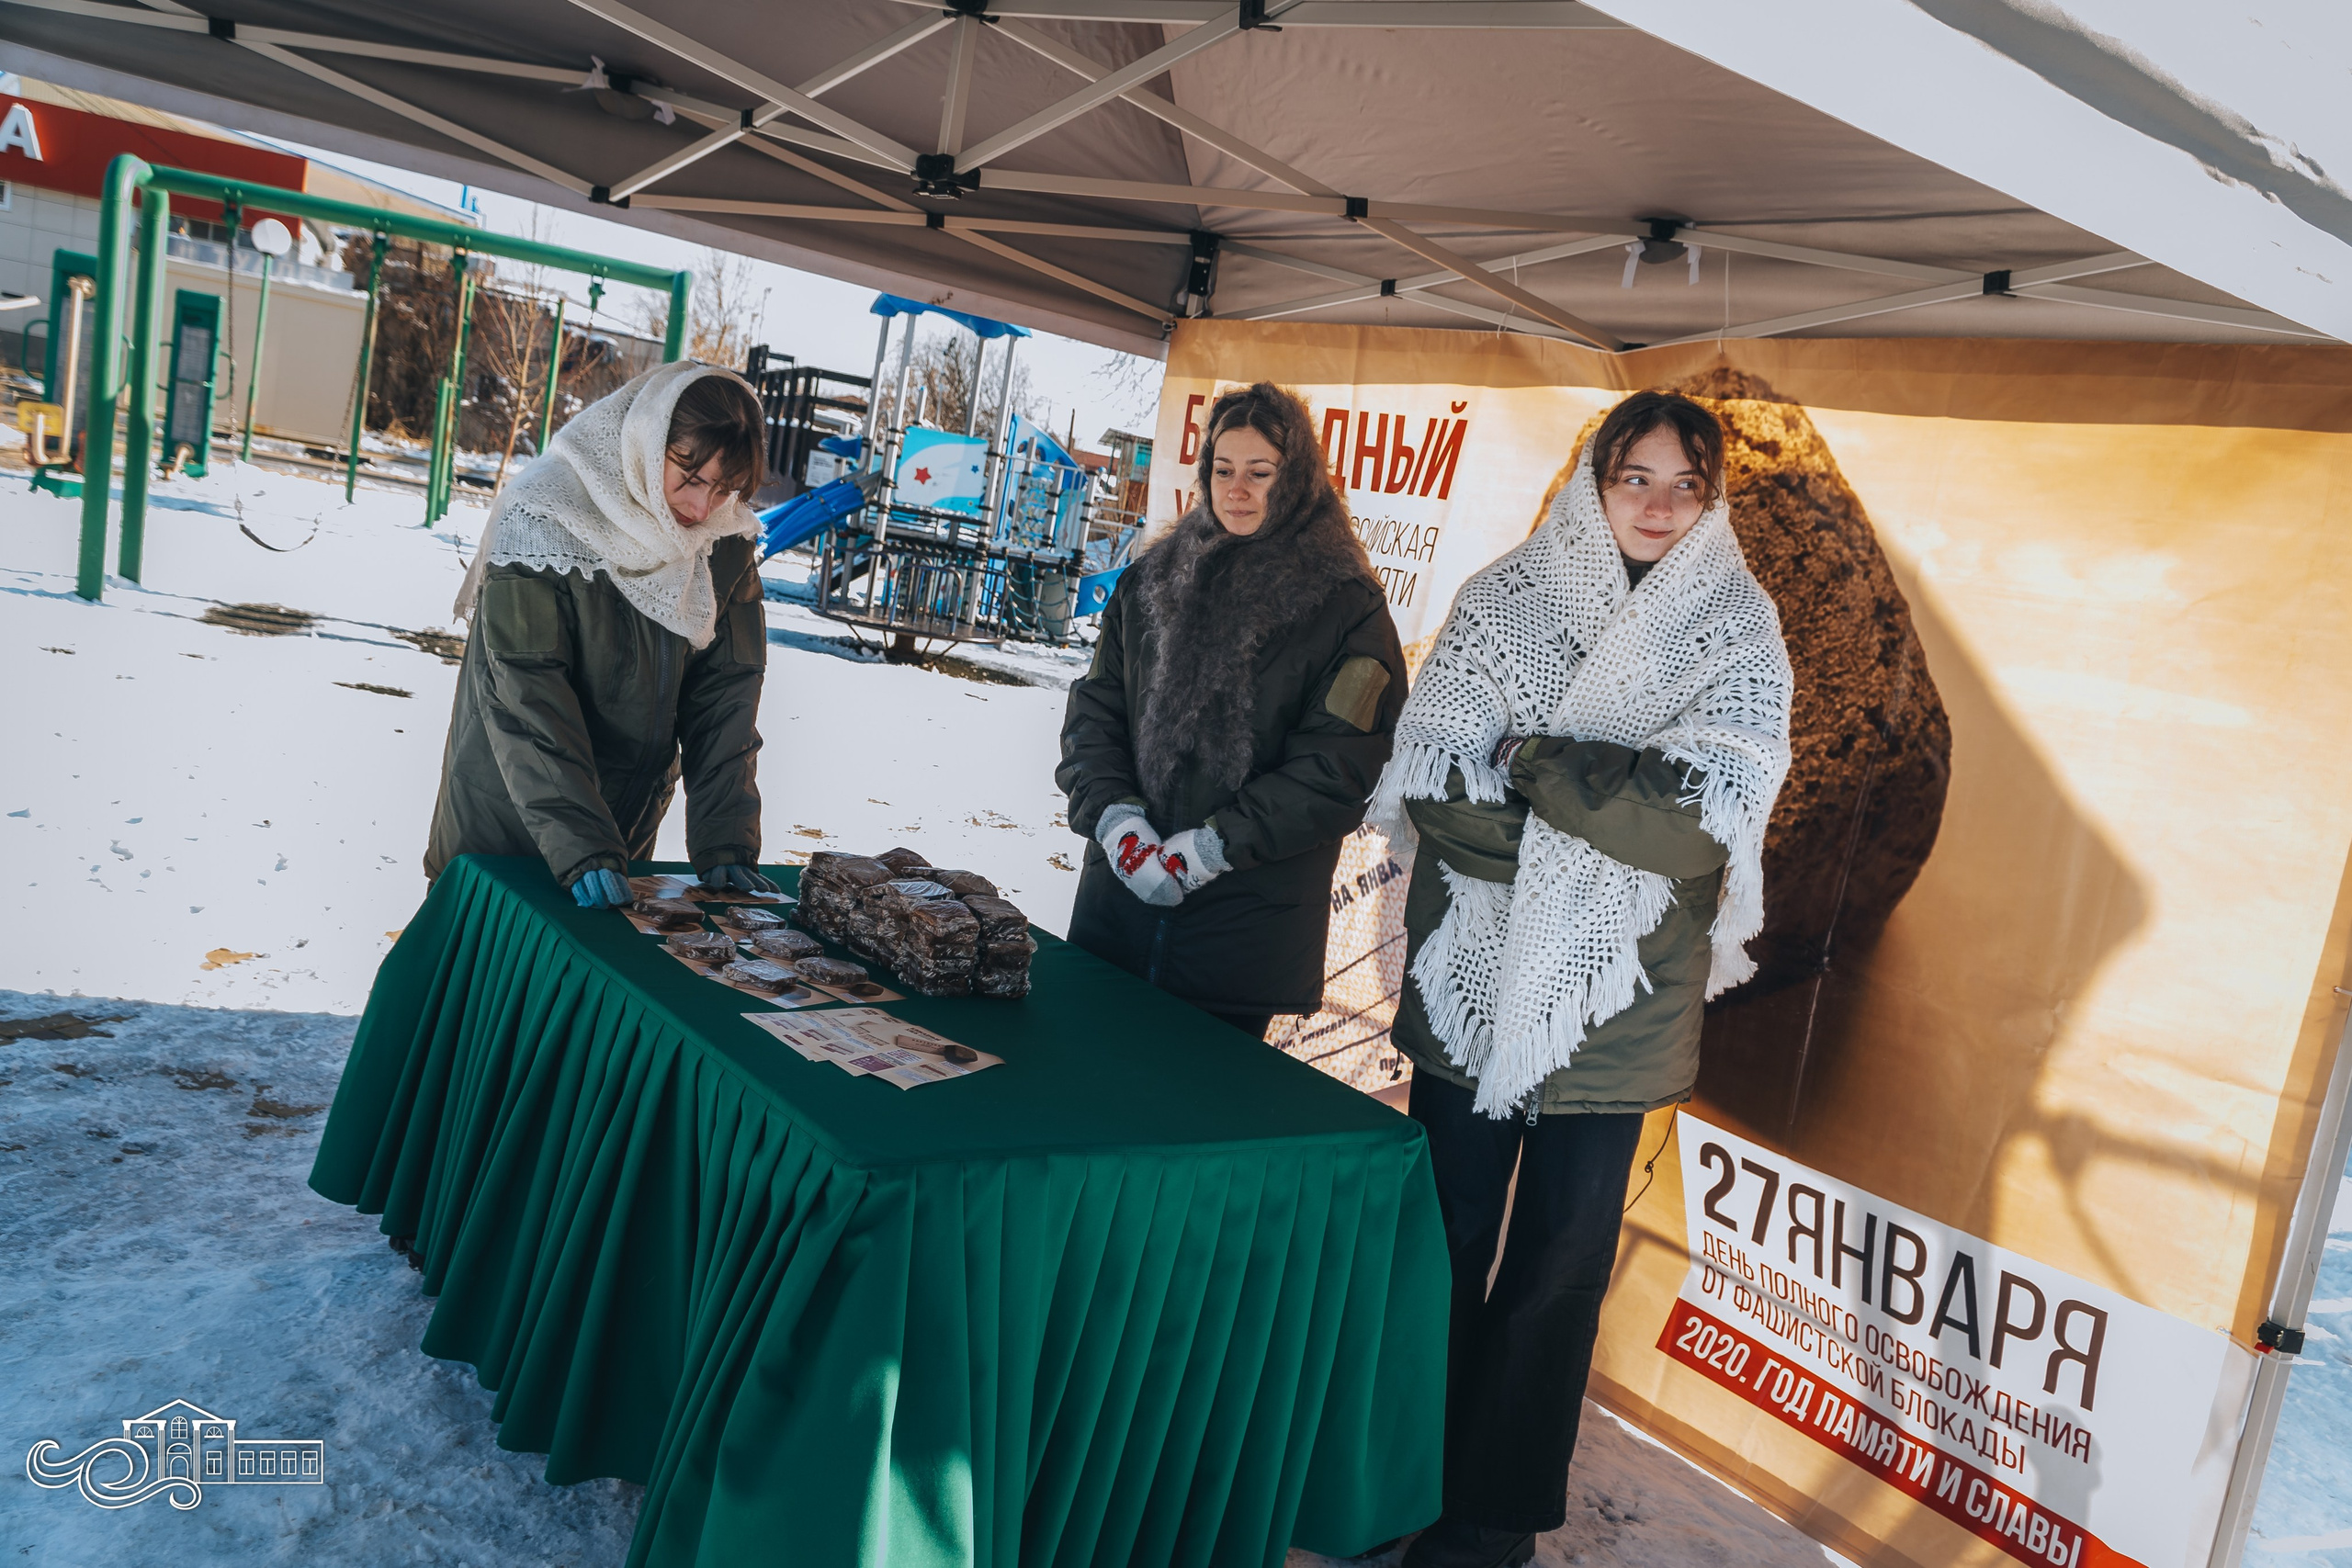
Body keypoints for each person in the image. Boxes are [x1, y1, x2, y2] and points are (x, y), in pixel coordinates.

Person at [1371, 390, 1793, 1568]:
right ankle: (1396, 1487)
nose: (1657, 505)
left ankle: (1488, 1526)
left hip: (1615, 1017)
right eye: (1633, 478)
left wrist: (1535, 760)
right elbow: (1444, 791)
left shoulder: (1741, 635)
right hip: (1475, 995)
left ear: (1710, 500)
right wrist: (1601, 809)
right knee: (1439, 1248)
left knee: (1558, 1273)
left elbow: (1700, 830)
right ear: (1591, 480)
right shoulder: (1502, 602)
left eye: (1683, 484)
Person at [1057, 381, 1407, 1039]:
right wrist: (1116, 821)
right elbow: (1095, 713)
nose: (1237, 489)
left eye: (1259, 472)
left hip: (1240, 939)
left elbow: (1340, 766)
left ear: (1297, 478)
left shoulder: (1347, 609)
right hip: (1118, 918)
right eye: (1223, 470)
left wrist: (1214, 847)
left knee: (1195, 1128)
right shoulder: (1150, 580)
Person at [426, 360, 779, 907]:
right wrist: (582, 843)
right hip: (505, 825)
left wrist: (725, 838)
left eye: (725, 488)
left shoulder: (722, 540)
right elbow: (526, 695)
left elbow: (725, 696)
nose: (701, 507)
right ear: (646, 439)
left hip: (623, 831)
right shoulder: (545, 515)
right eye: (690, 478)